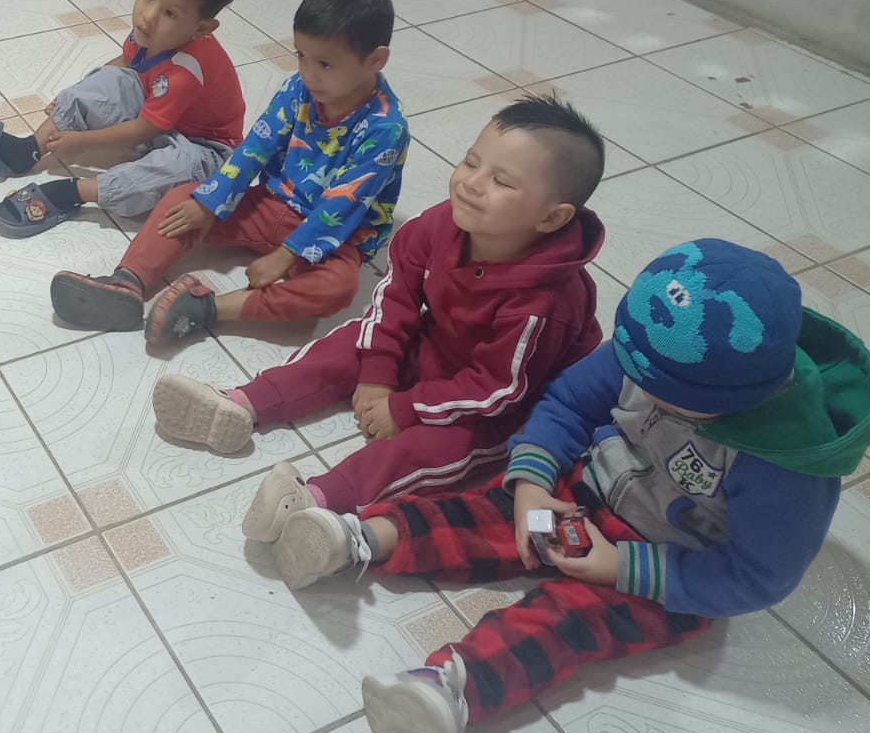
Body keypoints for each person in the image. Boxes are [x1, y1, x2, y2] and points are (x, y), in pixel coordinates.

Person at [276, 241, 870, 733]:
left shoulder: (788, 469)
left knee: (570, 620)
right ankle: (360, 537)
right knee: (486, 515)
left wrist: (623, 567)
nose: (635, 384)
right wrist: (533, 483)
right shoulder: (649, 350)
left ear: (731, 400)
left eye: (660, 391)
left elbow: (757, 577)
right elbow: (567, 404)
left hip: (666, 568)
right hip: (577, 499)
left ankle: (449, 687)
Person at [154, 94, 608, 530]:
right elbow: (395, 297)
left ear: (551, 218)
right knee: (352, 340)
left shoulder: (546, 304)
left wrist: (404, 407)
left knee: (434, 447)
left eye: (501, 182)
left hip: (497, 408)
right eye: (471, 162)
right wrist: (378, 373)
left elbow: (497, 390)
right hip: (438, 346)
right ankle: (243, 404)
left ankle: (319, 500)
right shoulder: (439, 223)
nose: (471, 182)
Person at [49, 0, 408, 346]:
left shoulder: (386, 128)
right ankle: (126, 283)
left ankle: (206, 310)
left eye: (325, 64)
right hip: (270, 203)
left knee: (338, 286)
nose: (308, 73)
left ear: (375, 60)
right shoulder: (299, 88)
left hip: (334, 236)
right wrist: (210, 202)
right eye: (301, 56)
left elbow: (342, 204)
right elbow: (255, 147)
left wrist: (287, 255)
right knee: (183, 198)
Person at [0, 0, 245, 237]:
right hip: (160, 115)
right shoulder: (151, 33)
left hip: (203, 148)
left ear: (201, 28)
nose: (148, 16)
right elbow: (125, 64)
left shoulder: (185, 72)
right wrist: (77, 96)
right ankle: (27, 151)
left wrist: (83, 141)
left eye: (170, 13)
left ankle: (72, 192)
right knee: (110, 78)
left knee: (169, 169)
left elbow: (143, 129)